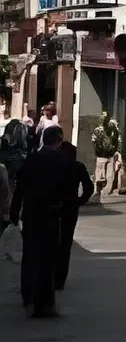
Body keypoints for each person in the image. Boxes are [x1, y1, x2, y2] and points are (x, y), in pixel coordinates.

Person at [9, 125, 69, 316]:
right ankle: (46, 301)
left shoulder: (31, 161)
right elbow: (67, 192)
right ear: (59, 140)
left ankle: (29, 297)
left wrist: (14, 213)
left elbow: (19, 190)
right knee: (48, 258)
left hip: (31, 214)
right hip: (51, 214)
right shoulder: (62, 161)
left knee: (31, 257)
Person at [54, 140, 93, 290]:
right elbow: (88, 187)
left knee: (51, 241)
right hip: (70, 207)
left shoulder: (53, 166)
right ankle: (60, 278)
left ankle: (50, 274)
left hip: (52, 205)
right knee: (66, 242)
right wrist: (80, 201)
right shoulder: (78, 167)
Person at [90, 111, 122, 197]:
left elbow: (93, 140)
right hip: (111, 155)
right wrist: (116, 151)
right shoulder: (114, 130)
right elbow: (119, 142)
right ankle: (107, 191)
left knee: (99, 173)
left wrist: (97, 150)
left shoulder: (97, 130)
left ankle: (98, 190)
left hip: (101, 155)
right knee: (110, 174)